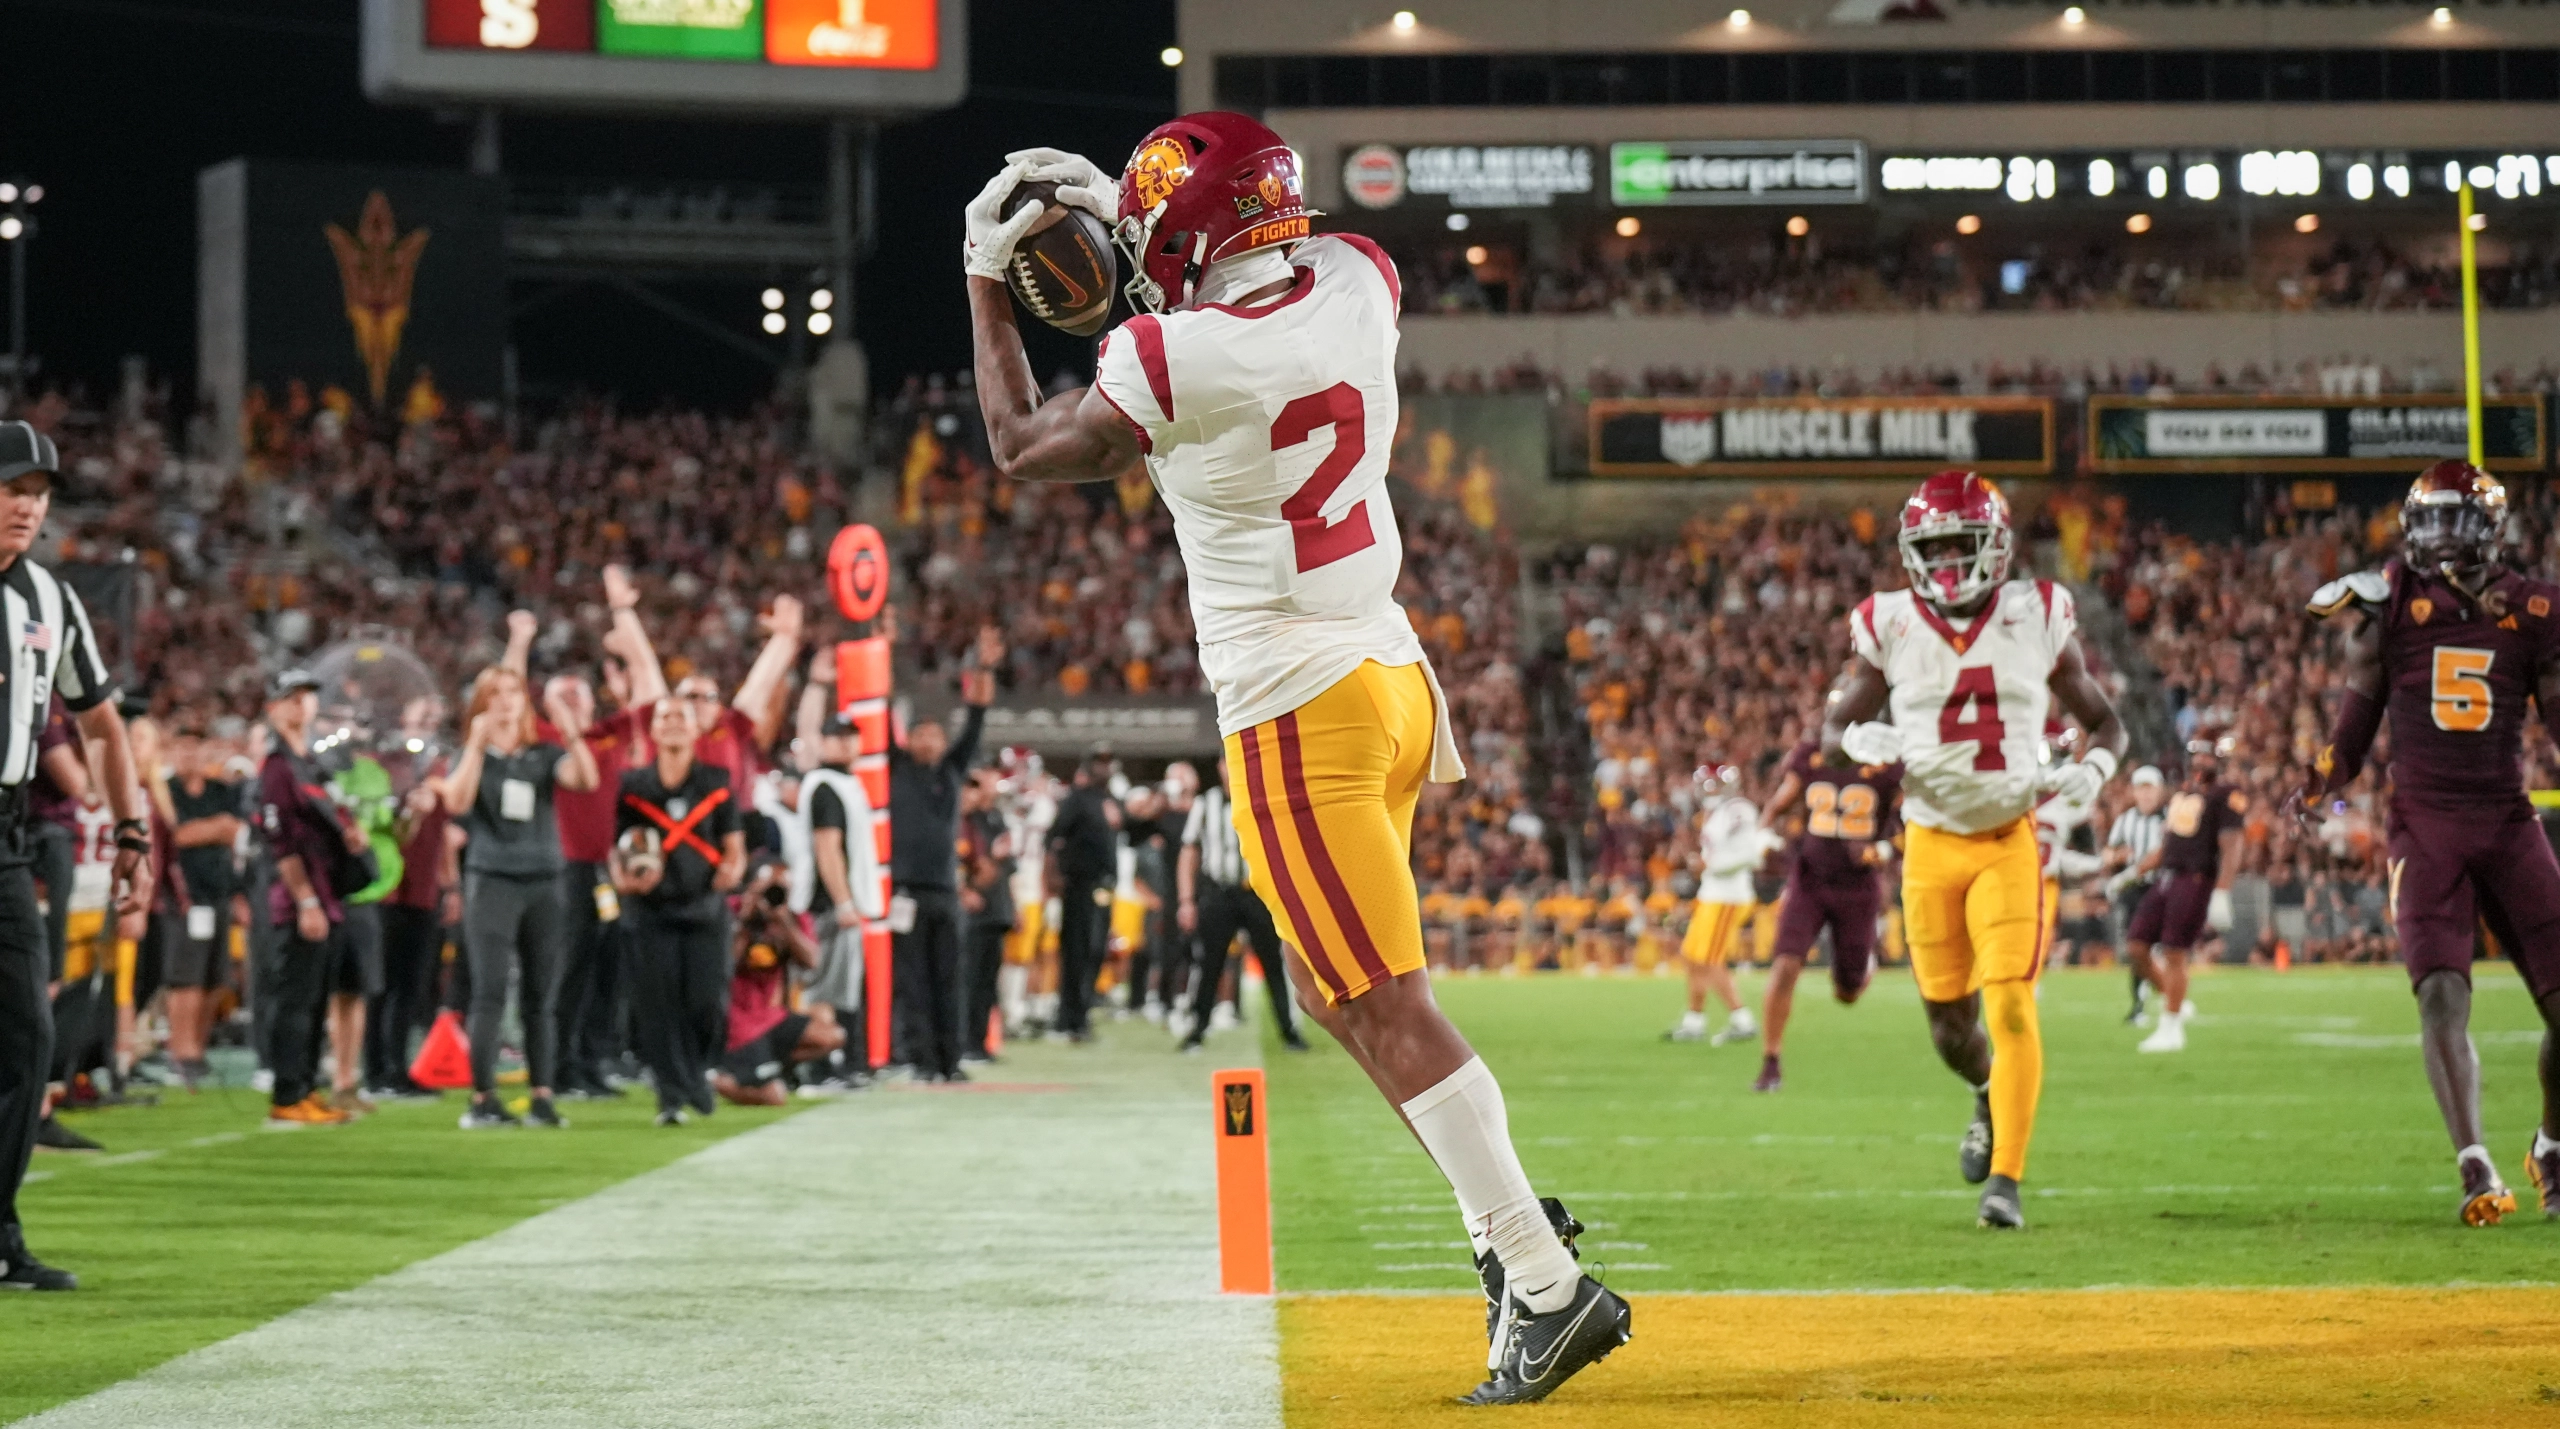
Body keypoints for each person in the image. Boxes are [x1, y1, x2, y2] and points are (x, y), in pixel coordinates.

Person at [964, 118, 1623, 1402]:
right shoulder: (1357, 280)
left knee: (1377, 997)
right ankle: (1508, 1228)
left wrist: (987, 279)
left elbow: (1018, 443)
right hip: (1387, 678)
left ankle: (1542, 1279)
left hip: (1293, 709)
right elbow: (1239, 269)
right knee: (1337, 991)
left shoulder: (1168, 353)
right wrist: (1143, 208)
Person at [1824, 469, 2126, 1231]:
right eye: (1938, 549)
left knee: (2013, 1003)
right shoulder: (1889, 622)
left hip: (2008, 842)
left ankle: (2007, 1180)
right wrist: (1864, 738)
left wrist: (2096, 767)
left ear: (1998, 547)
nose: (1951, 564)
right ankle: (1986, 1094)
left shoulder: (2037, 613)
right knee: (1949, 1028)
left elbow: (2106, 721)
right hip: (1930, 845)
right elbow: (1829, 733)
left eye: (1965, 546)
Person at [2296, 460, 2560, 1225]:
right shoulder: (2387, 602)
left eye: (2457, 523)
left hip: (2508, 821)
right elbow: (2352, 734)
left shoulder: (2535, 607)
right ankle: (2475, 1161)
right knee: (2442, 995)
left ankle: (2550, 1144)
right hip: (2427, 827)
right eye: (2430, 523)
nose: (2441, 540)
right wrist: (2321, 777)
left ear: (2490, 531)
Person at [0, 420, 153, 1290]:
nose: (29, 505)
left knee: (30, 1033)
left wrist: (132, 829)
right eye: (14, 487)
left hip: (6, 837)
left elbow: (101, 722)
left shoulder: (51, 600)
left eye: (41, 492)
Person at [439, 646, 601, 1129]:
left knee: (540, 995)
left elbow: (585, 778)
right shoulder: (473, 757)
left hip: (545, 879)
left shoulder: (543, 754)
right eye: (496, 694)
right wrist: (474, 745)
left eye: (513, 692)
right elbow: (457, 801)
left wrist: (570, 726)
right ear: (482, 704)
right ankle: (483, 1097)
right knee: (489, 991)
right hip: (492, 879)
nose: (507, 701)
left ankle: (542, 1094)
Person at [613, 699, 746, 1126]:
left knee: (707, 1000)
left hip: (705, 908)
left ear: (696, 731)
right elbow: (616, 846)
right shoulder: (632, 785)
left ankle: (696, 1074)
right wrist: (626, 880)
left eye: (680, 718)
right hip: (650, 911)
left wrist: (731, 870)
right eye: (663, 718)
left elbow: (735, 847)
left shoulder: (717, 781)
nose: (672, 724)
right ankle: (671, 1096)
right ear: (652, 731)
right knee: (657, 1006)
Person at [258, 668, 375, 1131]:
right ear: (274, 708)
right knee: (296, 1001)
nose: (301, 704)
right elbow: (281, 841)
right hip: (299, 901)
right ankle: (287, 1095)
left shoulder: (311, 764)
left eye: (306, 696)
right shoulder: (278, 767)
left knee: (314, 1000)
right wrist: (305, 900)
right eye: (291, 697)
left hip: (327, 897)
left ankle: (306, 1089)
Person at [1749, 741, 1902, 1093]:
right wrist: (1763, 832)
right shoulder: (1813, 753)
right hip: (1810, 879)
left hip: (1858, 886)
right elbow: (1781, 801)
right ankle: (1771, 1061)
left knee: (1847, 993)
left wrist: (1883, 849)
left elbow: (1918, 820)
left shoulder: (1889, 763)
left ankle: (1865, 965)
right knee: (1786, 964)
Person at [883, 620, 999, 1082]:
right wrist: (885, 650)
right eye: (920, 734)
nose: (928, 739)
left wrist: (984, 666)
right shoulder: (894, 768)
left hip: (944, 890)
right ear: (907, 740)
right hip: (904, 892)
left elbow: (976, 716)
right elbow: (882, 706)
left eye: (934, 733)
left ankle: (950, 1061)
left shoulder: (952, 771)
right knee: (911, 980)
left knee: (950, 976)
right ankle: (920, 1060)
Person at [1175, 752, 1305, 1055]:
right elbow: (1189, 852)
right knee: (1210, 964)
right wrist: (1186, 899)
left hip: (1258, 893)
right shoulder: (1205, 803)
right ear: (1220, 767)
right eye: (1226, 763)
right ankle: (1197, 1030)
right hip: (1219, 892)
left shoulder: (1263, 798)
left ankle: (1289, 1031)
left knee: (1273, 962)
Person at [2125, 739, 2245, 1055]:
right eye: (2198, 755)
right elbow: (2168, 844)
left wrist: (2222, 890)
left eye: (2208, 756)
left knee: (2175, 953)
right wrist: (2132, 872)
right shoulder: (2182, 792)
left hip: (2195, 878)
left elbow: (2232, 845)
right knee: (2136, 947)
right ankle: (2175, 999)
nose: (2202, 761)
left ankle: (2171, 1028)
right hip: (2166, 876)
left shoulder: (2226, 794)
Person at [796, 706, 882, 1083]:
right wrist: (844, 901)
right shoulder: (826, 786)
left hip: (838, 903)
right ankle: (819, 1070)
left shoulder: (845, 783)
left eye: (851, 736)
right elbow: (826, 848)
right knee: (825, 993)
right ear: (824, 742)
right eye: (838, 737)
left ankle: (841, 1065)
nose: (846, 743)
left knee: (838, 992)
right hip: (827, 905)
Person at [714, 861, 843, 1105]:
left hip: (771, 1017)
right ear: (751, 887)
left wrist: (784, 922)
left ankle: (768, 1067)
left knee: (830, 1029)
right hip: (737, 1023)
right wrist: (745, 921)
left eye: (782, 889)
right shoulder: (731, 910)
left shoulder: (791, 917)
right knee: (775, 1097)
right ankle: (717, 1082)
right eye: (768, 889)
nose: (774, 896)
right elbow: (724, 967)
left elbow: (812, 962)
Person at [1664, 763, 1769, 1048]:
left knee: (1710, 960)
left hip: (1728, 896)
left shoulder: (1738, 809)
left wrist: (1710, 864)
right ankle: (1693, 1022)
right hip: (1713, 894)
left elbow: (1750, 855)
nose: (1709, 790)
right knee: (1693, 957)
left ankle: (1742, 1019)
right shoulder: (1716, 813)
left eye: (1715, 784)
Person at [164, 726, 244, 1091]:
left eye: (195, 749)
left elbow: (237, 833)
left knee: (217, 978)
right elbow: (175, 835)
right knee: (186, 977)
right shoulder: (169, 792)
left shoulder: (220, 791)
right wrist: (214, 828)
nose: (189, 756)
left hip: (220, 892)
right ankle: (181, 1051)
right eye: (182, 749)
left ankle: (197, 1047)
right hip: (185, 896)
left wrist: (202, 830)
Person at [1044, 747, 1120, 1043]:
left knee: (1096, 949)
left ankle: (1082, 1011)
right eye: (1099, 763)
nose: (1104, 768)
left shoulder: (1108, 801)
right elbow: (1054, 837)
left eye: (1108, 763)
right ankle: (1069, 1017)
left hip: (1103, 886)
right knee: (1077, 950)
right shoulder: (1076, 799)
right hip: (1079, 886)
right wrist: (1055, 874)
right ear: (1088, 767)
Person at [2102, 765, 2168, 1022]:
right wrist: (2118, 856)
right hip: (2134, 891)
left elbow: (2163, 855)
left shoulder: (2168, 818)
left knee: (2162, 947)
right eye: (2141, 788)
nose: (2146, 794)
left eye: (2150, 788)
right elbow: (2108, 853)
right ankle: (2140, 1004)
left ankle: (2169, 998)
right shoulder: (2125, 820)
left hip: (2162, 887)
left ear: (2159, 790)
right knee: (2137, 947)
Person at [959, 769, 1015, 1063]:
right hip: (971, 914)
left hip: (995, 910)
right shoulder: (965, 822)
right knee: (967, 980)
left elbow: (1005, 868)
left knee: (986, 983)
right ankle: (965, 1042)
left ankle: (979, 1042)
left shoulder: (994, 819)